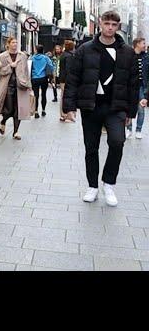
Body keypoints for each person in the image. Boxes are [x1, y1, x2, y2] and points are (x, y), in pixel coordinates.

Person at [63, 10, 139, 207]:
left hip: (116, 107)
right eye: (107, 24)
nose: (110, 28)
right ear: (100, 24)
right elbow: (73, 79)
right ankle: (92, 186)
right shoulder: (85, 49)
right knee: (91, 147)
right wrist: (68, 107)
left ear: (118, 26)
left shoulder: (127, 51)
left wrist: (132, 111)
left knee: (117, 142)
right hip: (91, 106)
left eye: (114, 25)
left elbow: (133, 83)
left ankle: (109, 183)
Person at [0, 37, 32, 140]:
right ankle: (3, 121)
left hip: (21, 86)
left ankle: (16, 132)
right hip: (7, 86)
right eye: (13, 43)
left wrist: (29, 86)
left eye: (16, 42)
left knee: (19, 110)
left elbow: (26, 72)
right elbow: (0, 72)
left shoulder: (23, 56)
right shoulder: (2, 57)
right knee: (9, 110)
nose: (15, 44)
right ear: (8, 44)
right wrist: (11, 66)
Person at [126, 37, 148, 139]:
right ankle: (128, 128)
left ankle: (138, 130)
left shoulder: (146, 57)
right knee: (129, 107)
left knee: (141, 109)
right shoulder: (129, 55)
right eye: (143, 43)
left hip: (141, 87)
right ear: (137, 44)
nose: (145, 45)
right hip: (130, 86)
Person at [30, 44, 53, 119]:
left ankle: (36, 111)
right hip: (44, 78)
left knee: (36, 95)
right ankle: (43, 110)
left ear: (36, 50)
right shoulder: (46, 58)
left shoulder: (32, 58)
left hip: (34, 78)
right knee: (44, 94)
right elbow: (51, 67)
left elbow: (28, 67)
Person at [58, 40, 76, 122]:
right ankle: (65, 114)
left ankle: (63, 114)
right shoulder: (69, 56)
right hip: (66, 79)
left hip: (62, 78)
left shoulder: (63, 55)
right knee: (66, 96)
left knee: (63, 96)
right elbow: (69, 69)